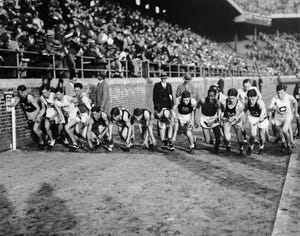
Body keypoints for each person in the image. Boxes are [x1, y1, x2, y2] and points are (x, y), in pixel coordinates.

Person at [269, 84, 298, 154]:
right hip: (278, 118)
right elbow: (269, 109)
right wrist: (272, 108)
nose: (280, 94)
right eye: (278, 93)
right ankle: (285, 145)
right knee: (280, 133)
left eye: (282, 93)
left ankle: (288, 145)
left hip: (287, 116)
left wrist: (295, 112)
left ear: (284, 91)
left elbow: (295, 102)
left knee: (285, 130)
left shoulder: (289, 97)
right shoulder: (274, 99)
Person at [197, 88, 222, 154]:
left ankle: (216, 145)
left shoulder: (217, 103)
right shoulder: (202, 100)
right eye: (209, 96)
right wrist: (196, 119)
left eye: (212, 96)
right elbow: (197, 108)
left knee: (218, 137)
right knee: (207, 141)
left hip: (214, 118)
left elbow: (219, 116)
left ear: (215, 96)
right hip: (204, 118)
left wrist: (213, 122)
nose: (210, 98)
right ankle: (211, 140)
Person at [245, 89, 269, 155]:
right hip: (253, 118)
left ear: (256, 97)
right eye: (250, 99)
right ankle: (250, 147)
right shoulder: (247, 102)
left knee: (261, 136)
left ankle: (261, 147)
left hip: (262, 118)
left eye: (253, 99)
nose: (251, 101)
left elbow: (263, 109)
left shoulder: (260, 102)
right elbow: (244, 110)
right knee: (253, 135)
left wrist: (261, 117)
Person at [222, 88, 245, 154]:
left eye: (233, 98)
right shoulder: (224, 102)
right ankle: (228, 145)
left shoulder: (240, 104)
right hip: (227, 119)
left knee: (239, 139)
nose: (231, 100)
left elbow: (238, 116)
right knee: (227, 137)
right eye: (230, 98)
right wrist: (222, 118)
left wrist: (234, 119)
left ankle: (241, 146)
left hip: (237, 120)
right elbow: (221, 112)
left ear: (236, 97)